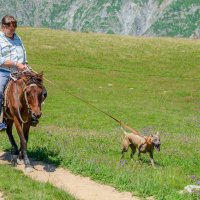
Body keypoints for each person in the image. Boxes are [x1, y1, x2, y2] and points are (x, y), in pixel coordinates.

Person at [0, 15, 32, 131]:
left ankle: (32, 114)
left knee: (37, 87)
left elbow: (23, 52)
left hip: (21, 71)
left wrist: (26, 65)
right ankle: (0, 121)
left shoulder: (17, 38)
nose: (13, 31)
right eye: (11, 28)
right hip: (4, 71)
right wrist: (15, 64)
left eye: (14, 28)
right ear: (4, 27)